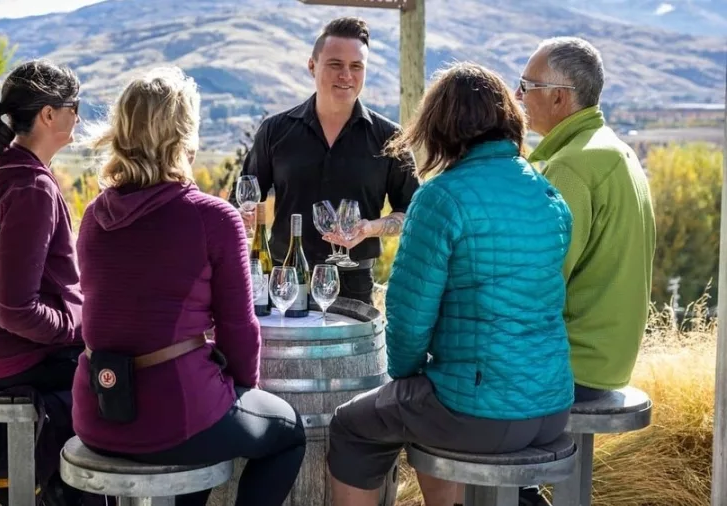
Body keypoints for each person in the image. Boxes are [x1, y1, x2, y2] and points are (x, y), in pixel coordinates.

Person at [325, 62, 575, 506]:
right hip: (552, 406)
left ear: (441, 126)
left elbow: (408, 315)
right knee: (421, 401)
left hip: (478, 411)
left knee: (352, 426)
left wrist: (403, 375)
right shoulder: (546, 192)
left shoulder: (441, 197)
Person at [71, 66, 306, 506]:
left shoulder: (94, 217)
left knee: (199, 419)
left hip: (96, 412)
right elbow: (239, 330)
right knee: (288, 431)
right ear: (184, 136)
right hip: (172, 414)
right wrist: (241, 391)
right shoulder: (212, 218)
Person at [235, 16, 419, 305]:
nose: (346, 74)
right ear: (312, 66)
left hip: (354, 284)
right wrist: (245, 217)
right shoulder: (275, 131)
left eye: (356, 66)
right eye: (335, 64)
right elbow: (246, 198)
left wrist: (370, 229)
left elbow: (412, 214)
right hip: (284, 281)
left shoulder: (391, 138)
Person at [517, 37, 656, 403]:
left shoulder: (570, 166)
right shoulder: (615, 150)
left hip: (570, 367)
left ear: (559, 97)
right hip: (608, 362)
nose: (517, 97)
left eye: (526, 86)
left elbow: (540, 282)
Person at [0, 59, 84, 392]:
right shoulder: (30, 188)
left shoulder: (1, 171)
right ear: (49, 115)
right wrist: (77, 328)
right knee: (129, 377)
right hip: (11, 356)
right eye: (75, 107)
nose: (79, 118)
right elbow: (16, 311)